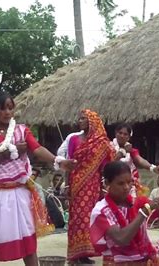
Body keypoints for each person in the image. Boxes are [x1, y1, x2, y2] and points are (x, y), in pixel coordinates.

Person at [0, 91, 76, 266]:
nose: (7, 112)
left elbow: (37, 149)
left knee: (27, 240)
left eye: (10, 108)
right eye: (2, 108)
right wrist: (8, 154)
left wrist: (58, 161)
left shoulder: (21, 130)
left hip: (18, 193)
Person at [64, 109, 115, 265]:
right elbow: (69, 163)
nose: (80, 121)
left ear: (92, 121)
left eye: (84, 119)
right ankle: (75, 255)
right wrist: (67, 184)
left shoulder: (100, 142)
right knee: (77, 218)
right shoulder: (74, 140)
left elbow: (105, 165)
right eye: (79, 119)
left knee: (88, 217)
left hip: (93, 185)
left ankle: (84, 253)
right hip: (76, 183)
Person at [111, 123, 159, 197]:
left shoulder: (131, 150)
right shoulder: (108, 147)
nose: (122, 136)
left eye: (125, 134)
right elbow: (109, 164)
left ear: (128, 137)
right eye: (120, 133)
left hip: (129, 184)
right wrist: (122, 152)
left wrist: (153, 168)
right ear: (116, 133)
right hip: (113, 182)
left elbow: (140, 160)